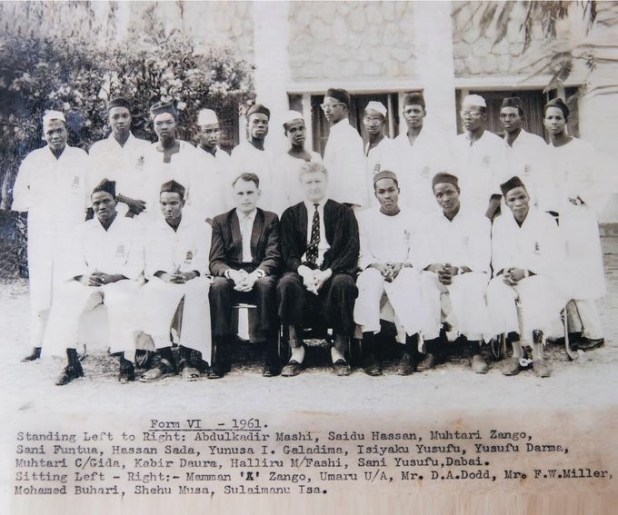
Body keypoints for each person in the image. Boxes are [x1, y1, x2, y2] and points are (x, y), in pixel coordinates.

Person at [42, 180, 143, 385]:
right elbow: (71, 261)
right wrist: (83, 277)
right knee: (66, 298)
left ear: (116, 202)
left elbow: (137, 262)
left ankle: (126, 362)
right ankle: (72, 363)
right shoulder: (83, 230)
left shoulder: (131, 227)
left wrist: (114, 277)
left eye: (106, 201)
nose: (101, 206)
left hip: (121, 280)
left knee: (121, 301)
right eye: (96, 203)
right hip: (91, 281)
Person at [12, 110, 89, 362]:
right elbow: (20, 197)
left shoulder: (80, 157)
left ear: (67, 130)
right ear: (44, 135)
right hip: (42, 234)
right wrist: (43, 204)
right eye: (50, 132)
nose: (55, 135)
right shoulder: (33, 160)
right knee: (42, 287)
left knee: (69, 285)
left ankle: (75, 345)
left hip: (72, 233)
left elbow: (90, 197)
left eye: (59, 130)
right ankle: (37, 344)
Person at [537, 97, 608, 350]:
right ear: (544, 122)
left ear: (566, 120)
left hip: (578, 222)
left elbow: (604, 180)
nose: (553, 122)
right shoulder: (543, 153)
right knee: (558, 273)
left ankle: (595, 332)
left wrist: (583, 197)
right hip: (552, 222)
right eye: (549, 117)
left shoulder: (582, 149)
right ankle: (572, 330)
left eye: (558, 117)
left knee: (582, 274)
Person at [278, 161, 359, 377]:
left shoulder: (343, 212)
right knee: (286, 284)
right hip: (301, 270)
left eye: (318, 181)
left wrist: (326, 273)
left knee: (344, 283)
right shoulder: (290, 215)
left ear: (327, 182)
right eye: (309, 182)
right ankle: (296, 350)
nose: (314, 187)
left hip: (332, 270)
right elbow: (287, 252)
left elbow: (350, 250)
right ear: (301, 185)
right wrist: (303, 271)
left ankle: (338, 351)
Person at [487, 177, 567, 377]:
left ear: (529, 197)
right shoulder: (500, 223)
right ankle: (516, 353)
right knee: (496, 290)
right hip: (511, 276)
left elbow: (555, 257)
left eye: (522, 197)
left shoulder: (545, 220)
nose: (518, 203)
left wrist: (527, 271)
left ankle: (538, 355)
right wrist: (505, 272)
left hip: (540, 275)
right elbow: (497, 254)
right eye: (512, 199)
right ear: (506, 202)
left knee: (536, 289)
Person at [416, 173, 493, 374]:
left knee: (468, 284)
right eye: (439, 195)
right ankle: (433, 348)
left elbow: (482, 258)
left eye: (449, 192)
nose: (445, 199)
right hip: (439, 275)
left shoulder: (478, 220)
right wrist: (436, 268)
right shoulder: (427, 223)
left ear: (459, 191)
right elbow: (420, 256)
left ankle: (474, 350)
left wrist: (457, 269)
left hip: (469, 273)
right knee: (424, 282)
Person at [138, 180, 212, 382]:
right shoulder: (152, 229)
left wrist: (189, 274)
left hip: (192, 278)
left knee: (197, 291)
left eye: (173, 203)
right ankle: (166, 359)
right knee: (153, 291)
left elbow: (204, 259)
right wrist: (164, 275)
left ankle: (187, 358)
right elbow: (149, 263)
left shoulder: (200, 228)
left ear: (183, 202)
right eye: (163, 204)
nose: (168, 208)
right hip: (164, 279)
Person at [209, 173, 281, 378]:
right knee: (218, 286)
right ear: (233, 196)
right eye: (240, 193)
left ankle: (270, 355)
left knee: (267, 285)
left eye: (250, 192)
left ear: (259, 193)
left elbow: (274, 256)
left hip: (260, 273)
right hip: (233, 275)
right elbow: (215, 260)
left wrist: (255, 275)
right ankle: (221, 355)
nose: (245, 197)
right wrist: (232, 274)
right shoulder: (221, 221)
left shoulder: (270, 219)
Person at [353, 171, 424, 376]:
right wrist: (376, 266)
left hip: (403, 268)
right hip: (376, 269)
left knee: (410, 281)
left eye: (391, 190)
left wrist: (403, 265)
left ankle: (410, 352)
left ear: (398, 191)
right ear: (375, 194)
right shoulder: (365, 218)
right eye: (381, 192)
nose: (387, 196)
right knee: (367, 282)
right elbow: (363, 254)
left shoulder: (412, 217)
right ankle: (369, 352)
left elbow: (417, 252)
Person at [88, 97, 152, 218]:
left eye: (124, 116)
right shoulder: (98, 149)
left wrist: (134, 209)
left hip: (141, 211)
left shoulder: (146, 147)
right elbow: (97, 185)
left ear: (130, 118)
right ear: (108, 120)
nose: (121, 120)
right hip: (109, 214)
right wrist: (128, 202)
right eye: (115, 117)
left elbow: (150, 182)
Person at [141, 101, 203, 221]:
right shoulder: (147, 154)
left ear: (175, 123)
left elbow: (197, 189)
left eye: (169, 122)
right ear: (153, 126)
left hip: (185, 216)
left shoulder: (189, 152)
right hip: (153, 217)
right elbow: (142, 187)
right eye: (159, 123)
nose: (164, 127)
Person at [394, 92, 451, 214]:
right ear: (403, 114)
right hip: (403, 205)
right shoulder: (396, 143)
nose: (412, 115)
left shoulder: (437, 142)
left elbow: (443, 174)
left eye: (416, 111)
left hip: (430, 205)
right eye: (409, 111)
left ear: (424, 113)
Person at [451, 94, 507, 219]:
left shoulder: (496, 144)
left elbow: (499, 184)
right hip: (458, 212)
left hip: (485, 211)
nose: (468, 117)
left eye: (473, 113)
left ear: (484, 116)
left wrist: (488, 216)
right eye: (465, 113)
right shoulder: (455, 144)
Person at [321, 88, 368, 209]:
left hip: (344, 205)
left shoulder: (350, 135)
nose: (327, 110)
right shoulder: (335, 133)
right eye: (324, 106)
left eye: (332, 106)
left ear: (344, 108)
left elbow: (354, 175)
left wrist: (346, 206)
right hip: (332, 202)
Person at [499, 96, 548, 206]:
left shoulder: (536, 143)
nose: (507, 119)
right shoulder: (498, 147)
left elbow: (546, 181)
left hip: (533, 209)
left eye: (512, 115)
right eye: (503, 116)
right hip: (508, 212)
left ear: (522, 118)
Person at [271, 110, 322, 215]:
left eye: (301, 128)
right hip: (294, 218)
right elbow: (280, 200)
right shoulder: (281, 162)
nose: (298, 133)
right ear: (286, 134)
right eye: (293, 130)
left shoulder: (316, 157)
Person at [229, 104, 274, 209]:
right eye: (256, 121)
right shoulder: (239, 153)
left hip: (269, 214)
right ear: (247, 125)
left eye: (264, 122)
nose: (261, 125)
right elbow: (233, 189)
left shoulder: (271, 155)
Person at [193, 108, 229, 223]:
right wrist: (205, 219)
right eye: (208, 131)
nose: (213, 135)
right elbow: (188, 198)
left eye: (216, 130)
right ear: (198, 132)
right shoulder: (191, 159)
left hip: (226, 222)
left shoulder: (225, 157)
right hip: (202, 223)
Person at [363, 101, 398, 197]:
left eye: (375, 120)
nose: (371, 124)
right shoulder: (367, 146)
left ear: (384, 122)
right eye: (367, 119)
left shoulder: (389, 147)